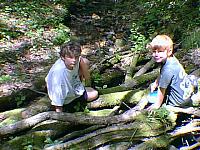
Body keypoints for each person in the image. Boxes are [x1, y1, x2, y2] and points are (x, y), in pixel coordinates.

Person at [146, 35, 199, 111]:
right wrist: (156, 82)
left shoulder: (168, 70)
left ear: (169, 51)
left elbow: (162, 89)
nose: (156, 54)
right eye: (154, 51)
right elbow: (161, 72)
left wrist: (157, 105)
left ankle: (170, 104)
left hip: (178, 101)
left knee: (151, 97)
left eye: (160, 51)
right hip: (186, 93)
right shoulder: (171, 59)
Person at [45, 41, 98, 112]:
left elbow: (80, 60)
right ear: (63, 57)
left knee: (85, 61)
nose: (74, 60)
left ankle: (83, 86)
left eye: (76, 57)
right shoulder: (60, 76)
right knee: (94, 93)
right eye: (70, 57)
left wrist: (88, 79)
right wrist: (60, 116)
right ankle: (75, 102)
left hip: (71, 81)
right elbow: (58, 101)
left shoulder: (73, 61)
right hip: (66, 97)